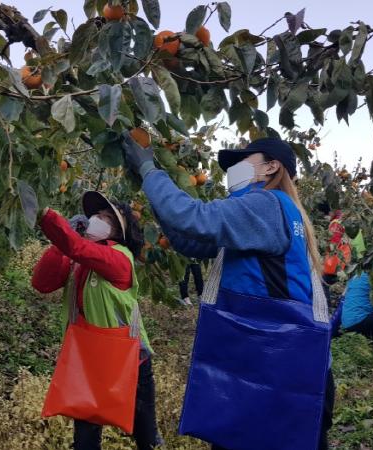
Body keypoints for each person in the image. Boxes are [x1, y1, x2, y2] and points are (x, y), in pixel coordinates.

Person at [123, 135, 334, 450]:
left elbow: (192, 217)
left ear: (271, 167)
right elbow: (189, 240)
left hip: (270, 370)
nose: (234, 169)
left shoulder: (265, 204)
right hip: (282, 369)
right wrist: (151, 186)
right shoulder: (273, 212)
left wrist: (149, 170)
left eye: (243, 161)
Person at [31, 192, 161, 450]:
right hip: (89, 359)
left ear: (119, 233)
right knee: (85, 439)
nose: (97, 220)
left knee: (146, 436)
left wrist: (47, 216)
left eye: (107, 219)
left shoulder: (119, 258)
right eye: (97, 215)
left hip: (130, 360)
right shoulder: (78, 261)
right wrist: (59, 245)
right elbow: (42, 283)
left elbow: (78, 248)